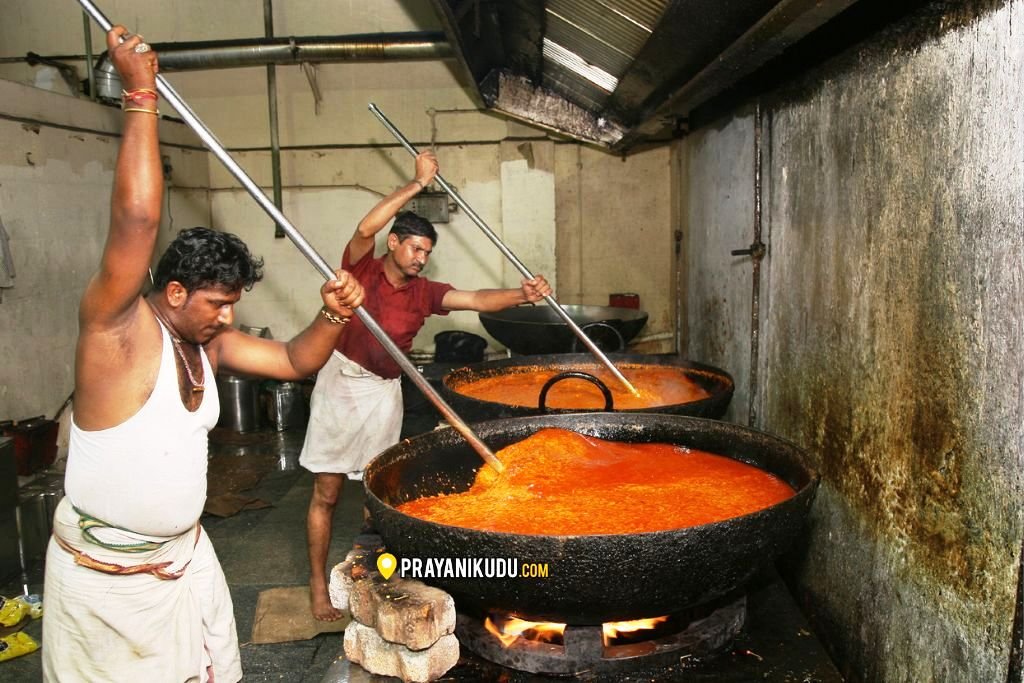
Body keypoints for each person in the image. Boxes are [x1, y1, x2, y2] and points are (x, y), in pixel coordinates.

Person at [42, 28, 364, 682]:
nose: (230, 315)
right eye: (219, 302)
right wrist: (140, 94)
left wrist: (333, 314)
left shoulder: (208, 345)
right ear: (176, 290)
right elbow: (135, 220)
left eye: (235, 302)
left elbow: (298, 361)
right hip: (109, 584)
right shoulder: (116, 332)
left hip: (183, 561)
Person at [301, 150, 553, 620]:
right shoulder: (362, 270)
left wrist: (522, 294)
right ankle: (318, 586)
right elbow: (364, 229)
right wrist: (417, 184)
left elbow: (475, 298)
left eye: (427, 253)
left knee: (376, 495)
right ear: (394, 243)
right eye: (415, 248)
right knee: (328, 492)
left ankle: (375, 581)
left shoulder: (424, 292)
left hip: (384, 392)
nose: (421, 258)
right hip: (340, 383)